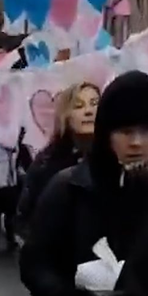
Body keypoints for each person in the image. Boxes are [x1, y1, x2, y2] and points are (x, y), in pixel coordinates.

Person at [20, 71, 148, 296]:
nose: (136, 142)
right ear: (107, 132)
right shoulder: (67, 188)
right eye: (125, 131)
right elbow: (34, 263)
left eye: (146, 130)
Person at [15, 82, 100, 242]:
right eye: (79, 106)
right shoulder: (47, 162)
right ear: (66, 115)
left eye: (95, 104)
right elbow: (25, 218)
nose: (89, 111)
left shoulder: (117, 156)